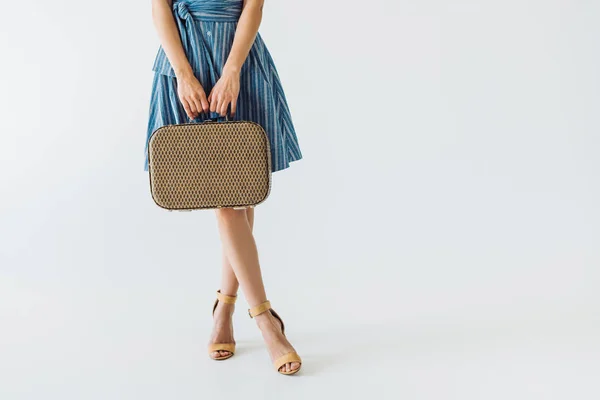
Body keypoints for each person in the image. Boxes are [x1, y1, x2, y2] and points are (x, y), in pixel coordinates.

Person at [143, 0, 304, 375]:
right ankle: (265, 320)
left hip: (239, 58)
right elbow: (159, 7)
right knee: (228, 197)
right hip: (187, 61)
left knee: (240, 194)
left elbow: (254, 5)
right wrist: (182, 73)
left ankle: (225, 307)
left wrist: (233, 70)